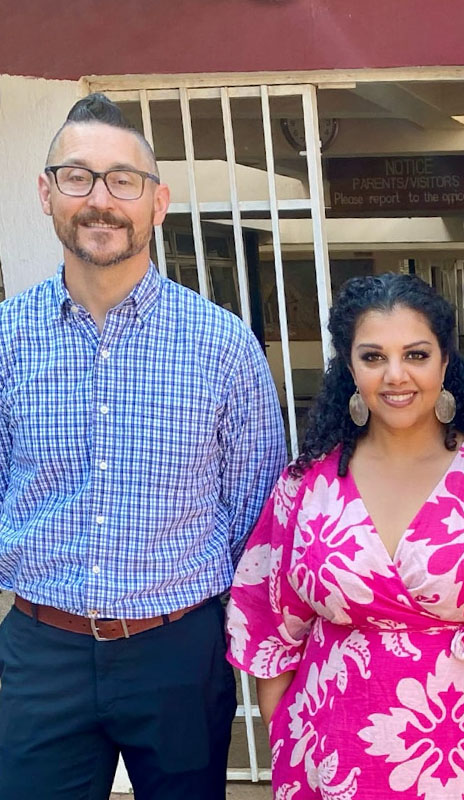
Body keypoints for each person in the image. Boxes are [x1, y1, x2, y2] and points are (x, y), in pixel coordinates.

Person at [0, 93, 287, 799]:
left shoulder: (222, 345)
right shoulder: (7, 338)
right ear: (46, 193)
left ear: (157, 202)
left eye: (122, 180)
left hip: (178, 652)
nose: (101, 200)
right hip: (41, 650)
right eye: (78, 177)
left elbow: (260, 515)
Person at [226, 273, 464, 800]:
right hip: (334, 749)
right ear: (349, 367)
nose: (395, 376)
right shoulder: (309, 485)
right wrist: (286, 733)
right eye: (373, 357)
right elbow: (269, 620)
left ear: (445, 363)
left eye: (416, 355)